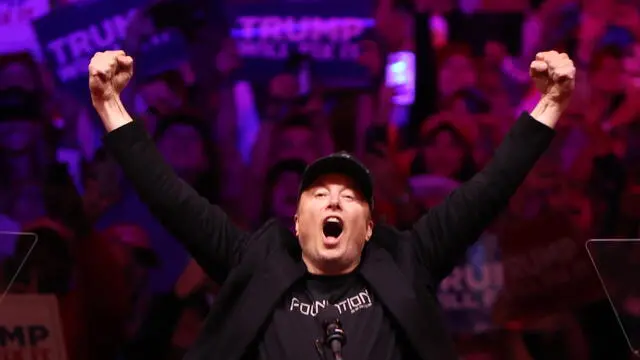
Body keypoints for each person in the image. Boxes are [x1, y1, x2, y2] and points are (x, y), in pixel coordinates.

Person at [88, 49, 575, 359]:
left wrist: (549, 104)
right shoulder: (254, 259)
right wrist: (111, 106)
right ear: (297, 222)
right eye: (319, 194)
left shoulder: (408, 258)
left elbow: (488, 189)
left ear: (367, 227)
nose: (334, 201)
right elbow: (169, 197)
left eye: (349, 196)